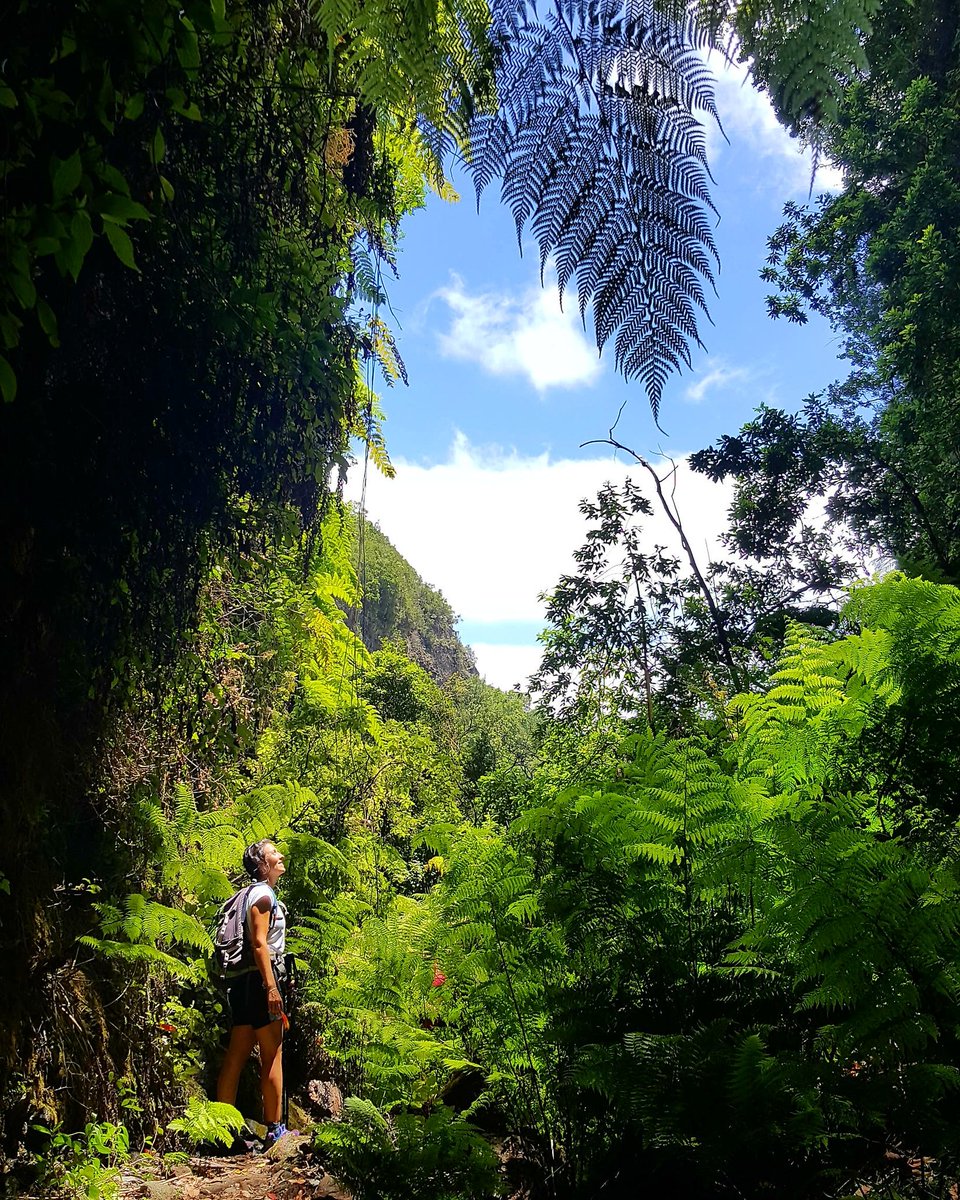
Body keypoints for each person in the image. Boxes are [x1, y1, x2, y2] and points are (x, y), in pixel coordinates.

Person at [216, 838, 291, 1148]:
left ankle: (220, 1129)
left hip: (243, 983)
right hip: (260, 981)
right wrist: (272, 987)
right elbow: (260, 944)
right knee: (272, 1052)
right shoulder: (262, 895)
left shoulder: (251, 894)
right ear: (263, 864)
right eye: (274, 853)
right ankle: (275, 1130)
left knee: (236, 1054)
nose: (281, 855)